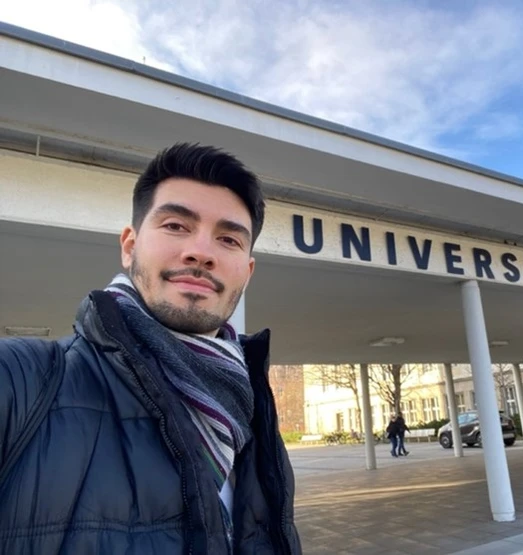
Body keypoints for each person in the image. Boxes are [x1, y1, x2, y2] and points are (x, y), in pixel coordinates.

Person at [0, 143, 302, 554]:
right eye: (176, 225)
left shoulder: (250, 411)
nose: (201, 252)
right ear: (129, 246)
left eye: (229, 239)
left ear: (246, 272)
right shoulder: (24, 381)